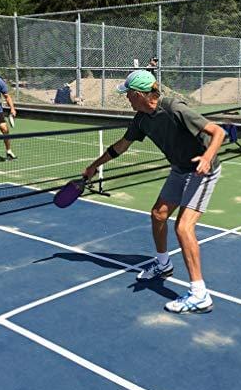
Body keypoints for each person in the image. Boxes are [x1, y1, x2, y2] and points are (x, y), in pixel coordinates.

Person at [83, 69, 225, 315]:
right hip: (179, 169)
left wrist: (206, 158)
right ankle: (163, 264)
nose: (126, 98)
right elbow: (121, 146)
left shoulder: (174, 108)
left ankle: (200, 294)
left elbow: (218, 132)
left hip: (203, 170)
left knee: (183, 227)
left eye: (128, 94)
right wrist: (94, 166)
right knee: (158, 215)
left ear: (139, 95)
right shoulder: (141, 120)